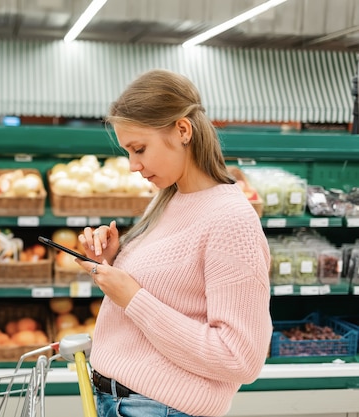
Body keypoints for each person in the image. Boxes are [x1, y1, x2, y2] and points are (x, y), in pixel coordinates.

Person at [76, 69, 272, 417]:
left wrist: (133, 298)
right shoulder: (169, 198)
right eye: (128, 152)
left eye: (139, 149)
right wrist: (112, 260)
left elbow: (239, 358)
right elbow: (176, 291)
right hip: (116, 399)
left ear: (183, 130)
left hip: (158, 408)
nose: (133, 165)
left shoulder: (232, 220)